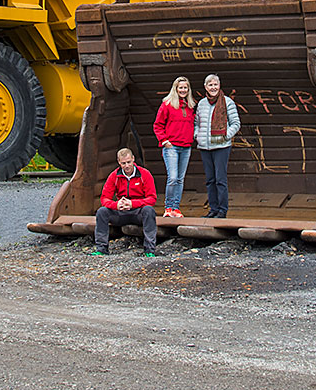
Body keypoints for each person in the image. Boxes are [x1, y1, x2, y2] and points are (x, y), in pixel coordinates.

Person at [93, 147, 157, 256]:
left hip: (138, 212)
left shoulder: (144, 174)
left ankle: (149, 250)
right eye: (123, 163)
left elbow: (152, 198)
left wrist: (133, 203)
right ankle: (101, 249)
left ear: (133, 159)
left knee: (149, 210)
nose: (127, 166)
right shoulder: (114, 176)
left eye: (129, 162)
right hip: (120, 212)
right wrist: (116, 205)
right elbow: (104, 198)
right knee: (102, 212)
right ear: (119, 162)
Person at [194, 73, 240, 218]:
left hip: (221, 146)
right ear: (205, 87)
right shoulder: (201, 104)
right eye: (210, 85)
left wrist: (226, 135)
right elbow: (197, 123)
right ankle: (212, 209)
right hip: (205, 147)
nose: (213, 87)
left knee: (220, 179)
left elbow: (236, 123)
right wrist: (197, 135)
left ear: (219, 86)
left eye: (215, 84)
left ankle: (222, 210)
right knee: (210, 180)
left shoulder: (227, 102)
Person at [153, 76, 196, 218]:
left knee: (180, 179)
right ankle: (168, 207)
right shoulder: (167, 104)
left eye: (185, 88)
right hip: (171, 146)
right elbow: (157, 125)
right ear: (175, 88)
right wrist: (164, 140)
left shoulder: (190, 106)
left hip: (186, 147)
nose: (183, 90)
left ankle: (176, 208)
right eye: (181, 87)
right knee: (172, 177)